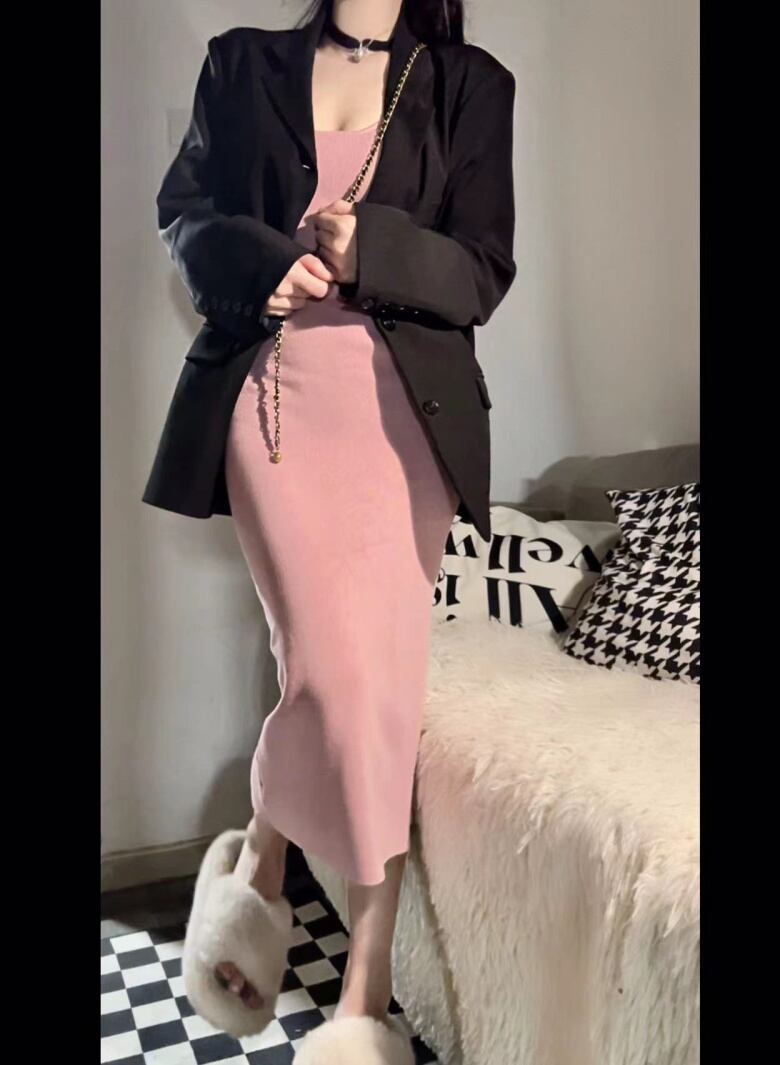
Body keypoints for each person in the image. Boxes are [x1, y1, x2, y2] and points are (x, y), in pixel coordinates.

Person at [143, 1, 516, 1060]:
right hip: (276, 403)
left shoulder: (470, 85)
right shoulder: (242, 65)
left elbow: (483, 269)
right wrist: (264, 261)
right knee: (331, 672)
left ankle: (356, 980)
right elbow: (185, 212)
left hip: (408, 423)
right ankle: (272, 877)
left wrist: (372, 250)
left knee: (376, 686)